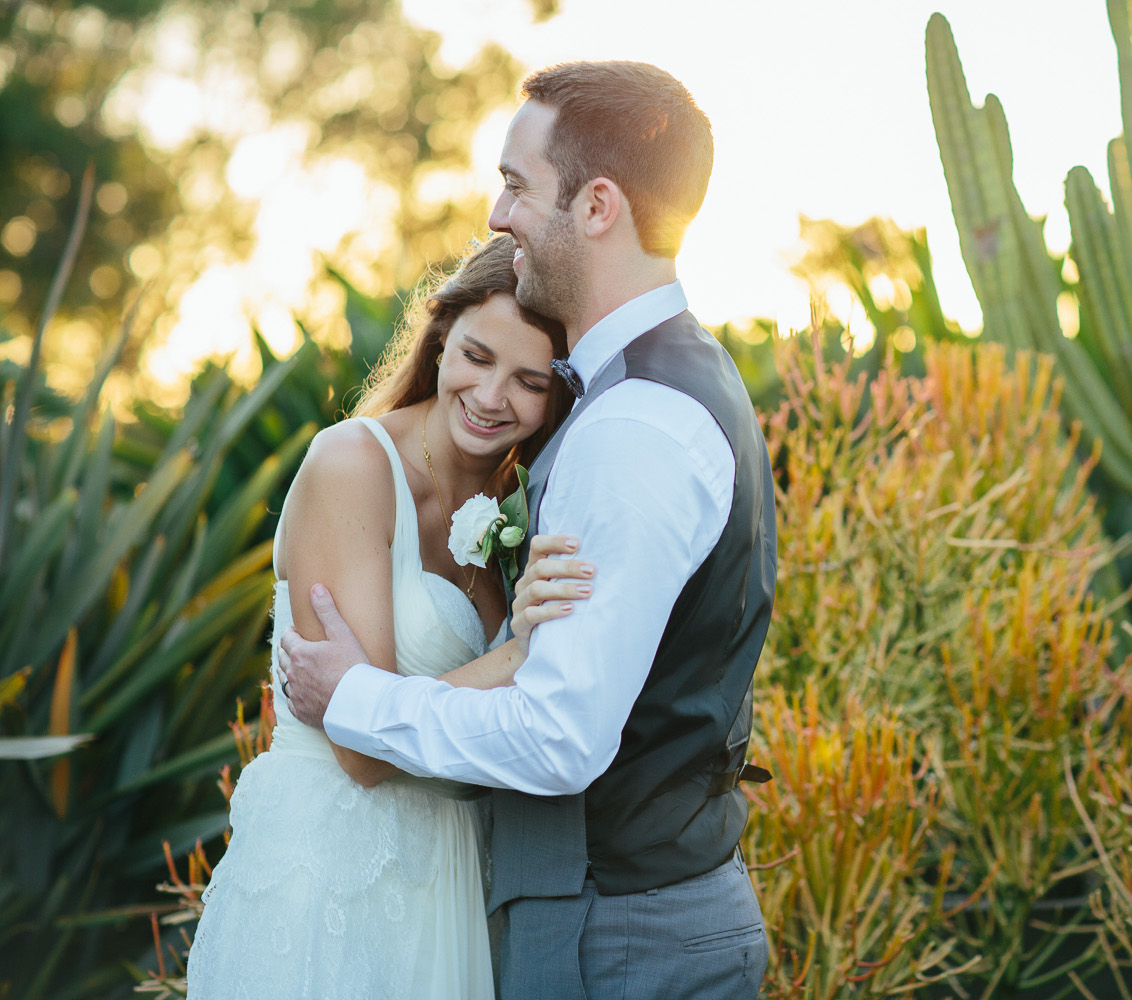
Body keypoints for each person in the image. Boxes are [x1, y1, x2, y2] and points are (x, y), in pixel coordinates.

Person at [280, 61, 776, 999]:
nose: (498, 216)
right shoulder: (665, 384)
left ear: (597, 205)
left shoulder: (633, 425)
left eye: (516, 184)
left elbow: (560, 738)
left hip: (618, 932)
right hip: (598, 911)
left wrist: (355, 696)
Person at [186, 233, 595, 999]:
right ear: (438, 342)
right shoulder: (352, 467)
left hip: (451, 877)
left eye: (529, 381)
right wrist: (515, 656)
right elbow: (362, 750)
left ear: (556, 399)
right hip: (331, 880)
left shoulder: (525, 510)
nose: (492, 395)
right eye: (477, 356)